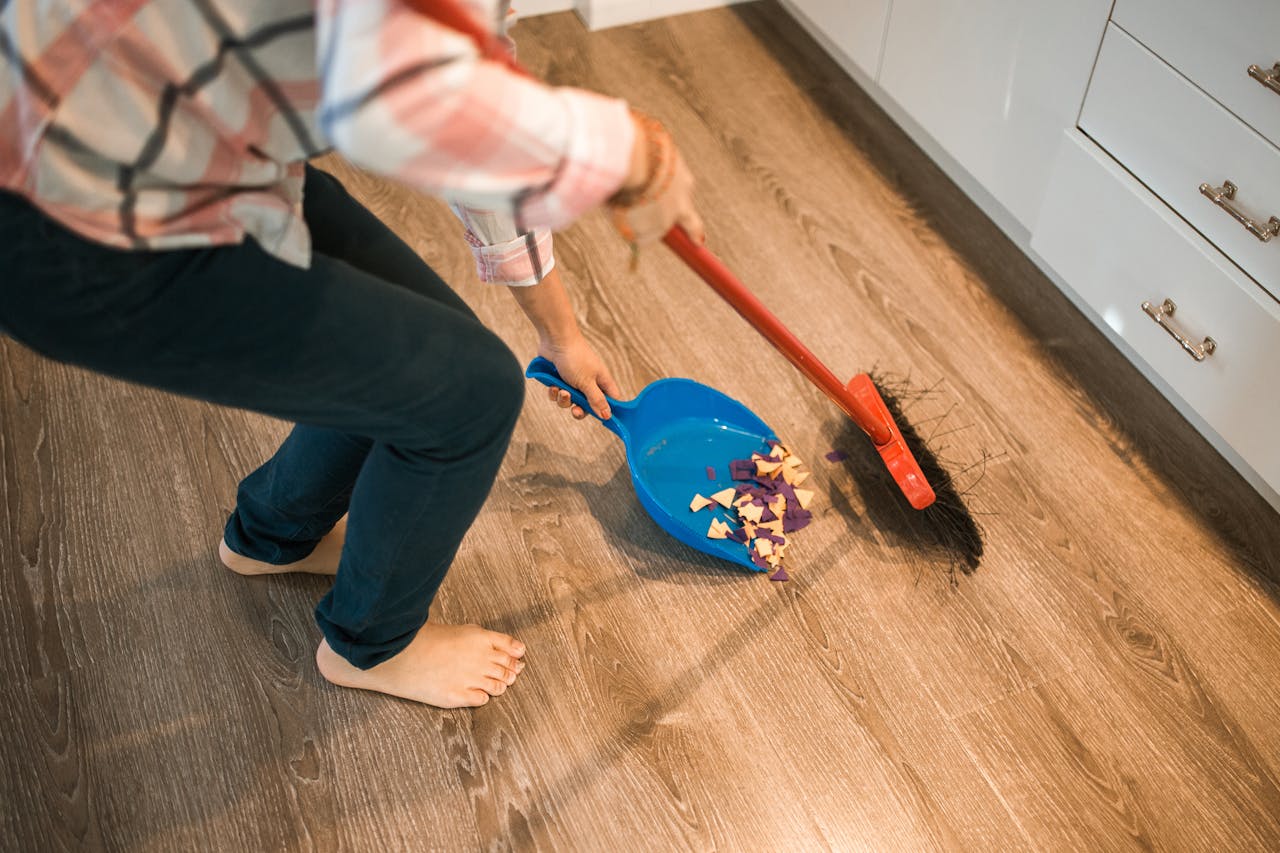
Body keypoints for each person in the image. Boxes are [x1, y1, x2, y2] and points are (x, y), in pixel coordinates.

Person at [0, 0, 704, 708]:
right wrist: (633, 152)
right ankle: (371, 646)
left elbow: (464, 89)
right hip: (84, 227)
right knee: (472, 398)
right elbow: (411, 101)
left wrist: (563, 337)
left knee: (430, 344)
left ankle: (274, 534)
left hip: (192, 139)